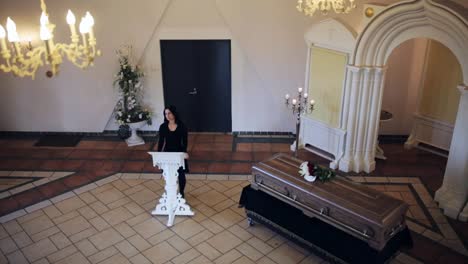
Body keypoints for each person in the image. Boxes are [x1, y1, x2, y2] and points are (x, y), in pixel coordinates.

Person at [157, 105, 189, 198]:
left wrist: (184, 152)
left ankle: (182, 192)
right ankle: (171, 192)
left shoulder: (182, 126)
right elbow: (161, 142)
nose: (167, 115)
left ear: (174, 113)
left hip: (179, 153)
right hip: (168, 153)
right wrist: (158, 155)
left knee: (181, 175)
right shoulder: (163, 127)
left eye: (169, 113)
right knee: (169, 175)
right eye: (165, 113)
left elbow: (185, 142)